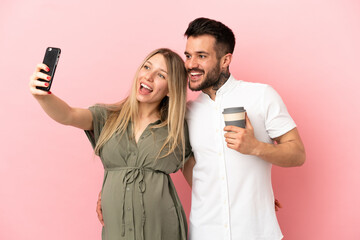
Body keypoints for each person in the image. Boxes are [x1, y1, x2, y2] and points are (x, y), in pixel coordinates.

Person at [29, 48, 193, 240]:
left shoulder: (178, 129)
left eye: (161, 75)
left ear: (171, 88)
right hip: (117, 230)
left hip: (163, 230)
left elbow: (200, 183)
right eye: (146, 67)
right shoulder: (107, 116)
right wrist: (43, 95)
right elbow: (68, 115)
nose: (148, 76)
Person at [181, 18, 306, 240]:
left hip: (258, 233)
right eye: (188, 55)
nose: (191, 64)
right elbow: (189, 165)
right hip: (204, 233)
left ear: (225, 60)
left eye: (201, 56)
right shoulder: (187, 112)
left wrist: (256, 147)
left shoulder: (261, 96)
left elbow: (297, 153)